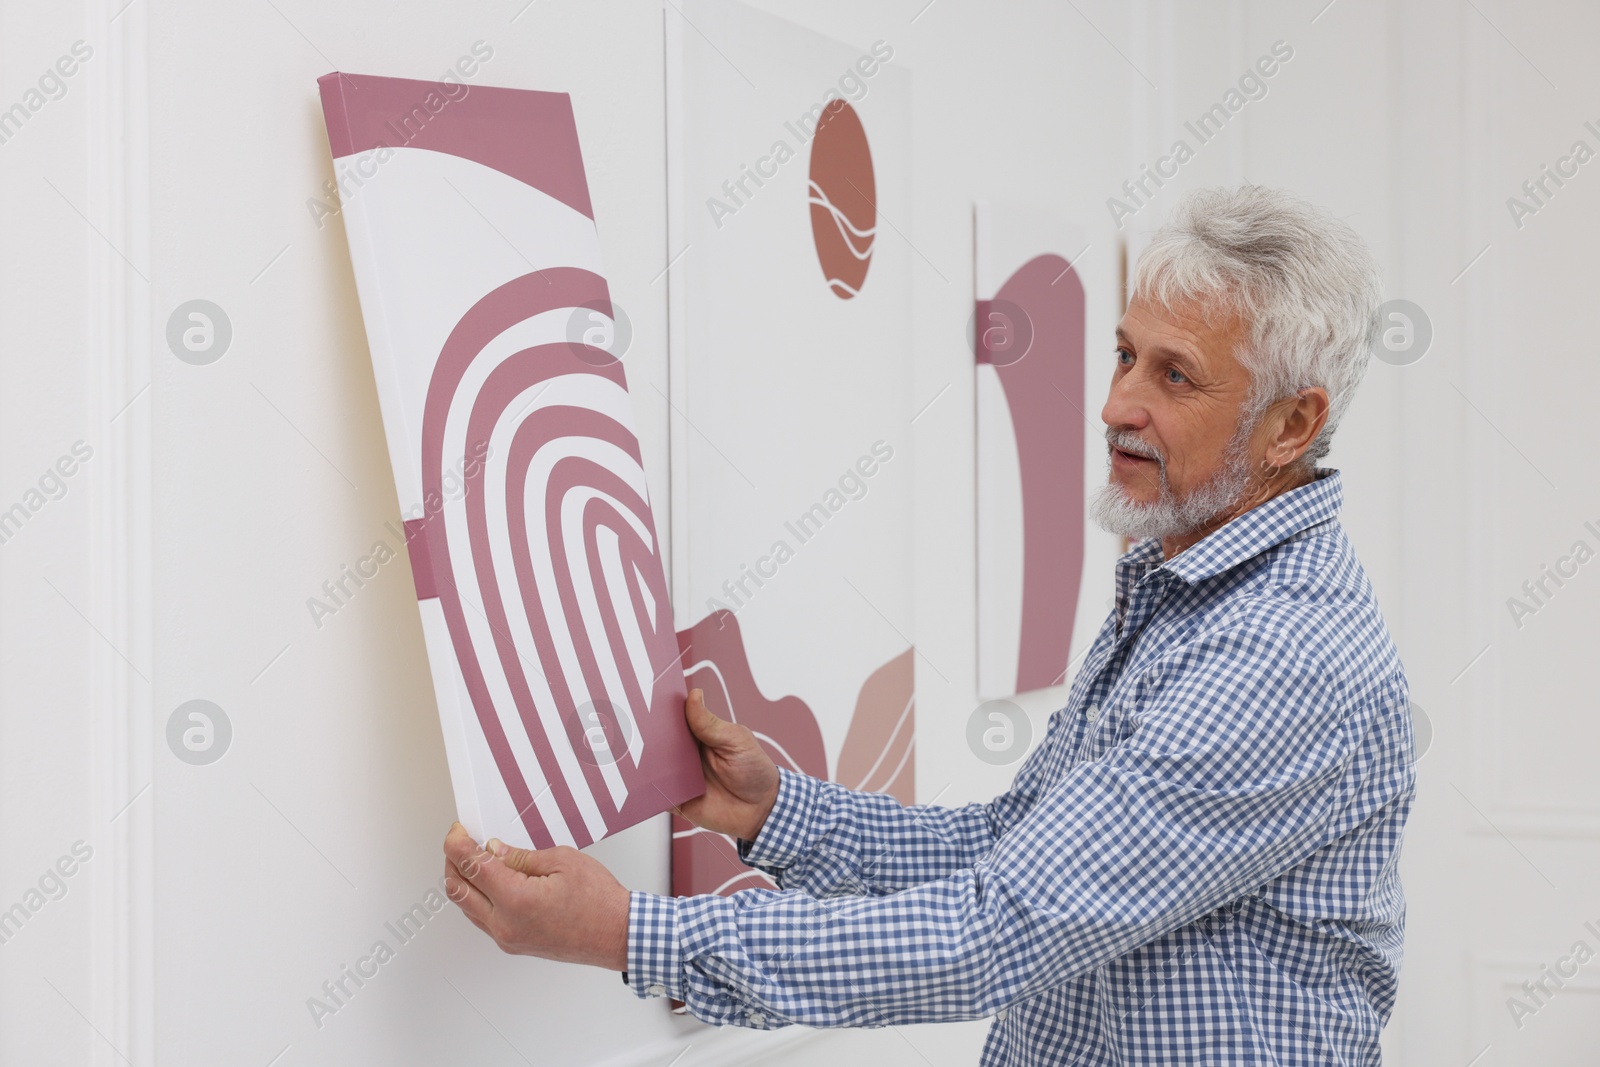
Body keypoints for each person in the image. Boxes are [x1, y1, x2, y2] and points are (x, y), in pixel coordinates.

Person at [442, 184, 1416, 1064]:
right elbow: (1012, 844)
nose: (1116, 402)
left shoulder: (1276, 654)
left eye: (1174, 377)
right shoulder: (1176, 586)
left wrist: (627, 932)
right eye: (1124, 353)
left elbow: (998, 924)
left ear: (1291, 424)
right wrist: (774, 809)